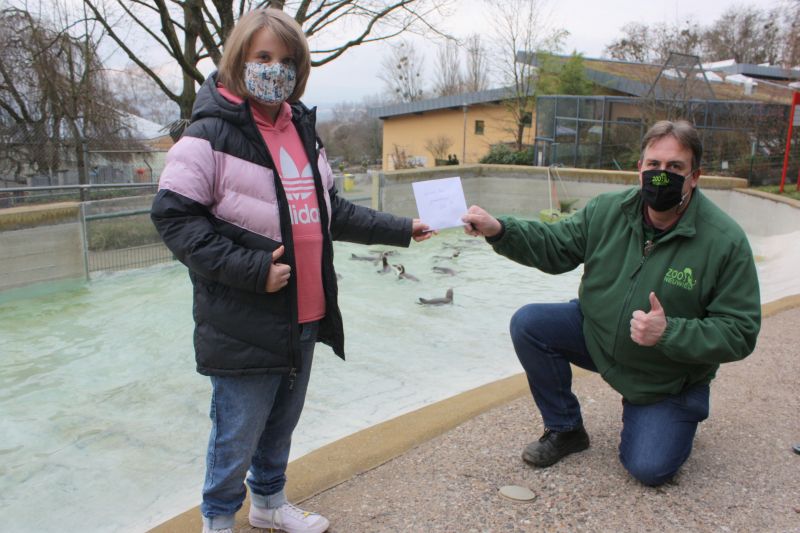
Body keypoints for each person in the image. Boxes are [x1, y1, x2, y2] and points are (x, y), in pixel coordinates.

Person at [150, 9, 432, 533]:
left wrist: (401, 228)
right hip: (244, 316)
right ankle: (217, 520)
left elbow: (331, 213)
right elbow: (173, 220)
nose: (274, 69)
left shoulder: (302, 131)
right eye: (262, 57)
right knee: (236, 431)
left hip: (305, 310)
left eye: (286, 60)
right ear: (239, 59)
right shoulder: (207, 135)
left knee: (281, 422)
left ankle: (269, 504)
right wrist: (253, 270)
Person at [462, 120, 760, 486]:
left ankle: (672, 411)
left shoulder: (724, 240)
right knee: (530, 324)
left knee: (650, 469)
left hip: (665, 376)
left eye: (675, 168)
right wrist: (501, 230)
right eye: (653, 165)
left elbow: (741, 331)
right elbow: (555, 246)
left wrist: (670, 332)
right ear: (639, 169)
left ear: (694, 177)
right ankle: (566, 428)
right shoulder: (607, 211)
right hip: (600, 337)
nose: (661, 175)